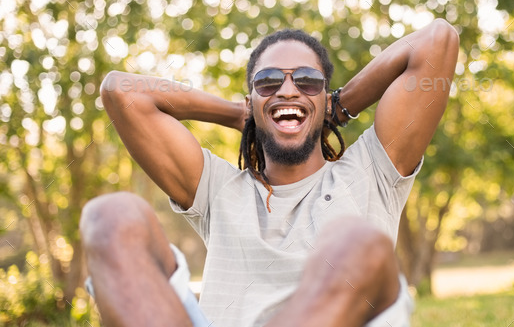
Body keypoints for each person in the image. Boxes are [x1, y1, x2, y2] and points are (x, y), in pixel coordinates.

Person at [80, 19, 459, 327]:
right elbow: (121, 91)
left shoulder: (370, 172)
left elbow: (436, 41)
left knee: (358, 243)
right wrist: (242, 115)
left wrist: (338, 107)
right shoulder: (217, 189)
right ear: (251, 100)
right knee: (110, 217)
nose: (289, 90)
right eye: (268, 82)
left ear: (325, 95)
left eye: (307, 81)